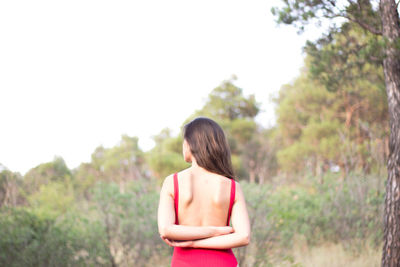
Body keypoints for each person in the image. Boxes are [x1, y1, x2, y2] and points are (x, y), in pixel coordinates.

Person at [157, 117, 251, 267]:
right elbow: (243, 236)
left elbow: (165, 229)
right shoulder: (232, 186)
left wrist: (194, 242)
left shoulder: (172, 182)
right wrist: (214, 231)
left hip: (184, 262)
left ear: (189, 144)